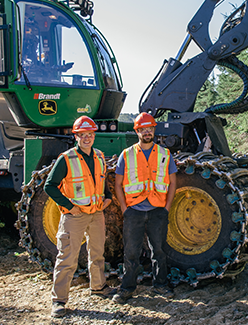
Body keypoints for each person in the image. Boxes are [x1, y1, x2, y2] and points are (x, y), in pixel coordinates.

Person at [44, 115, 112, 318]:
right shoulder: (66, 159)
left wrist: (107, 198)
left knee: (97, 252)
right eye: (82, 135)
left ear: (94, 135)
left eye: (90, 134)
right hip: (75, 216)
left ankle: (99, 287)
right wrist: (68, 206)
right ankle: (59, 300)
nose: (87, 138)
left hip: (96, 214)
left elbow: (102, 182)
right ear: (76, 136)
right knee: (67, 257)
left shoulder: (99, 156)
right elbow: (50, 185)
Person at [112, 112, 177, 304]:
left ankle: (160, 285)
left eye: (149, 128)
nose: (147, 132)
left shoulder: (165, 154)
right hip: (134, 211)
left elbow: (172, 182)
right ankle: (127, 288)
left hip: (158, 210)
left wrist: (166, 207)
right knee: (131, 252)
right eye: (143, 129)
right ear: (137, 131)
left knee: (159, 250)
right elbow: (118, 184)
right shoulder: (127, 154)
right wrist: (125, 208)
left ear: (154, 130)